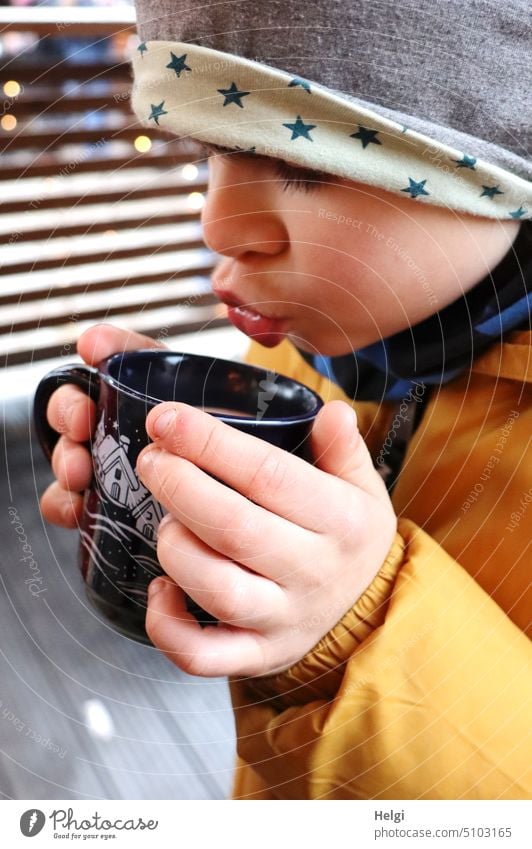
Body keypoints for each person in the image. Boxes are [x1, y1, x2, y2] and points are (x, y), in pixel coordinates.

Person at [39, 1, 531, 799]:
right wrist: (192, 500)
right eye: (210, 156)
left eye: (310, 166)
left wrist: (354, 629)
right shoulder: (303, 346)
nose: (217, 224)